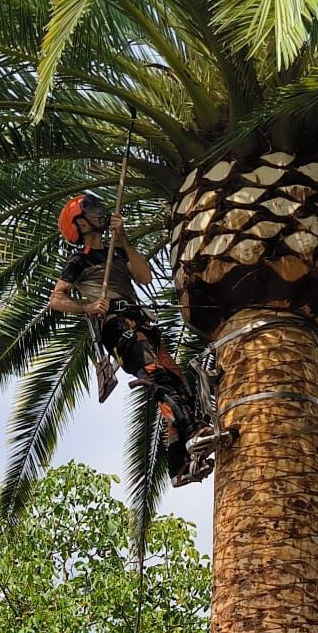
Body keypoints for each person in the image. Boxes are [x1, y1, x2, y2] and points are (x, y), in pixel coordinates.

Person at [49, 191, 212, 485]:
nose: (100, 212)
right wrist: (87, 306)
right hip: (117, 326)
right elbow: (56, 299)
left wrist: (122, 237)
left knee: (176, 380)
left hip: (140, 322)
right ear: (81, 225)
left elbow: (145, 276)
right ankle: (191, 432)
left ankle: (180, 463)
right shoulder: (79, 260)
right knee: (158, 377)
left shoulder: (119, 254)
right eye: (91, 209)